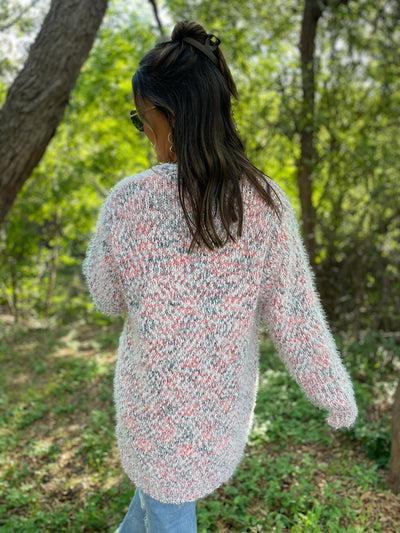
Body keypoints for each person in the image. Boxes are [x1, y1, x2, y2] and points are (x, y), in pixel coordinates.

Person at [83, 20, 358, 533]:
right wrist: (335, 394)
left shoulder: (129, 203)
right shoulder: (264, 203)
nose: (143, 132)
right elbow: (295, 317)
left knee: (165, 513)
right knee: (152, 508)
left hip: (154, 412)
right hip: (215, 415)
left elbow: (106, 297)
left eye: (141, 120)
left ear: (166, 118)